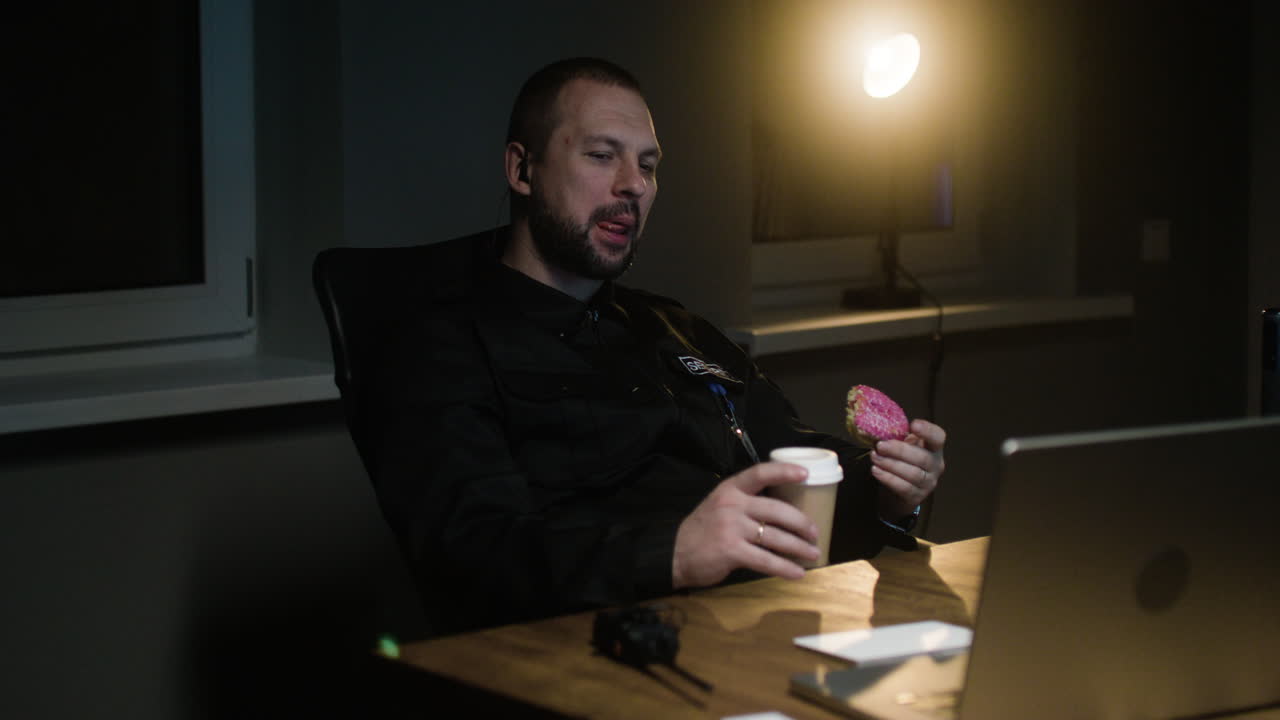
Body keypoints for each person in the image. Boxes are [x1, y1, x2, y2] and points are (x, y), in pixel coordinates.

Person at [364, 58, 946, 635]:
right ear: (523, 168)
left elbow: (792, 460)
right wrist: (674, 552)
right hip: (603, 649)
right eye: (601, 155)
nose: (634, 184)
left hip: (764, 625)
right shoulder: (443, 344)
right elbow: (471, 554)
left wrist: (889, 491)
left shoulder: (674, 327)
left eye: (647, 165)